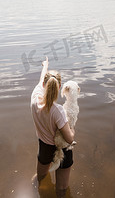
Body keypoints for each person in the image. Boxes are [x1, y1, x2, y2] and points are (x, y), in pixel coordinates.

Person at [31, 56, 75, 198]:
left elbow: (41, 79)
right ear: (59, 88)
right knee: (62, 190)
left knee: (41, 178)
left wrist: (45, 65)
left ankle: (38, 191)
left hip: (44, 146)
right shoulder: (58, 111)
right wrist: (73, 130)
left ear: (44, 85)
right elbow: (68, 139)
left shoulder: (35, 97)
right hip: (61, 149)